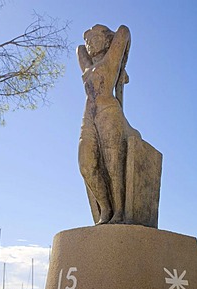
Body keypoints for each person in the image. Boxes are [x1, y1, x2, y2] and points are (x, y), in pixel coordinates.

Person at [77, 24, 141, 224]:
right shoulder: (86, 65)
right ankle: (105, 208)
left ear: (107, 41)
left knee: (113, 164)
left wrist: (122, 64)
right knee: (86, 164)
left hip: (108, 111)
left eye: (96, 37)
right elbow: (78, 49)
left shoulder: (111, 59)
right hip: (88, 116)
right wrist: (86, 39)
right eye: (88, 39)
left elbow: (124, 31)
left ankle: (119, 211)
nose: (89, 42)